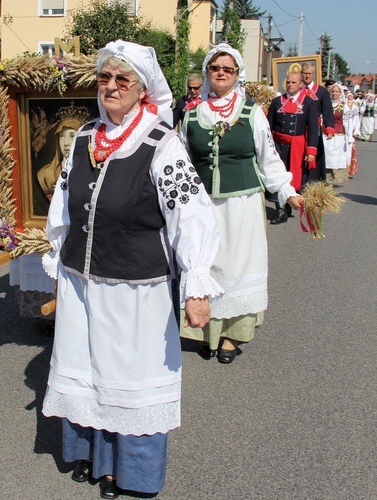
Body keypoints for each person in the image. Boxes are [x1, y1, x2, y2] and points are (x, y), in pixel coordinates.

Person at [41, 40, 222, 499]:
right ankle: (97, 458)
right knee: (88, 368)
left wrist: (197, 284)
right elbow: (63, 206)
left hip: (137, 289)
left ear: (143, 90)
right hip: (83, 284)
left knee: (129, 379)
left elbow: (193, 215)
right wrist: (59, 265)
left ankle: (135, 473)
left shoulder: (163, 144)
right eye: (105, 78)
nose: (112, 87)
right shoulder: (84, 138)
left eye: (123, 79)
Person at [180, 43, 303, 363]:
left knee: (236, 271)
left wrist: (288, 193)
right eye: (215, 68)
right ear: (208, 72)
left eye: (228, 69)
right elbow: (180, 163)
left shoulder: (251, 113)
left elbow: (269, 160)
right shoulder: (191, 115)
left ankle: (232, 337)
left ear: (237, 75)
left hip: (243, 205)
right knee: (205, 267)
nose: (221, 73)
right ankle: (205, 331)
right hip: (204, 207)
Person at [265, 67, 318, 224]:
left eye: (293, 82)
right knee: (278, 176)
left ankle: (289, 203)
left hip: (297, 147)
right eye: (288, 82)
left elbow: (313, 128)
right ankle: (280, 210)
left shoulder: (308, 103)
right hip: (278, 146)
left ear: (301, 84)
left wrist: (311, 151)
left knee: (293, 177)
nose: (290, 85)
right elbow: (268, 126)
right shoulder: (276, 102)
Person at [36, 107, 87, 200]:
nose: (66, 143)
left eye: (72, 136)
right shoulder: (45, 175)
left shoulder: (91, 172)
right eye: (62, 136)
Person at [300, 62, 334, 183]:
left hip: (315, 130)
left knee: (315, 154)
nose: (307, 76)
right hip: (299, 129)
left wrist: (329, 127)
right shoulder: (297, 90)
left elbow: (328, 111)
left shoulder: (321, 91)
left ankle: (314, 181)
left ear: (313, 74)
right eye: (304, 73)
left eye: (309, 73)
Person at [323, 83, 348, 184]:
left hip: (338, 135)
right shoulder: (326, 104)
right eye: (333, 91)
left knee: (336, 157)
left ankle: (335, 177)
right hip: (326, 133)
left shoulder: (343, 106)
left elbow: (346, 121)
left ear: (340, 93)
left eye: (336, 91)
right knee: (327, 155)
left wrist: (349, 135)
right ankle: (327, 176)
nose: (334, 93)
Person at [343, 92, 360, 177]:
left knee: (348, 153)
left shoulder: (355, 106)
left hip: (350, 131)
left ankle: (347, 169)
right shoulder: (342, 104)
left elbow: (356, 119)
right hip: (342, 131)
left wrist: (356, 130)